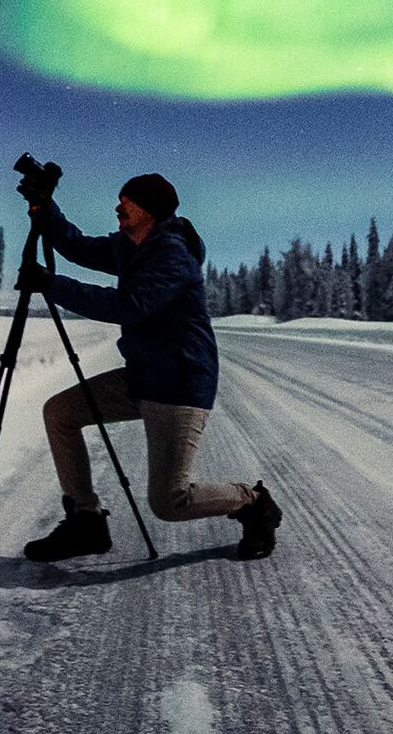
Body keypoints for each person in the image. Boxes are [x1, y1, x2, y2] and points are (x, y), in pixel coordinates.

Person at [14, 171, 283, 562]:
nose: (118, 208)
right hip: (143, 376)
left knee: (170, 502)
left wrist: (53, 285)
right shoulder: (131, 245)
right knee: (60, 412)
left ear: (151, 211)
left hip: (178, 383)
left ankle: (253, 501)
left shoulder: (173, 254)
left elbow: (129, 305)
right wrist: (45, 206)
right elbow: (76, 246)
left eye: (127, 203)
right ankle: (86, 522)